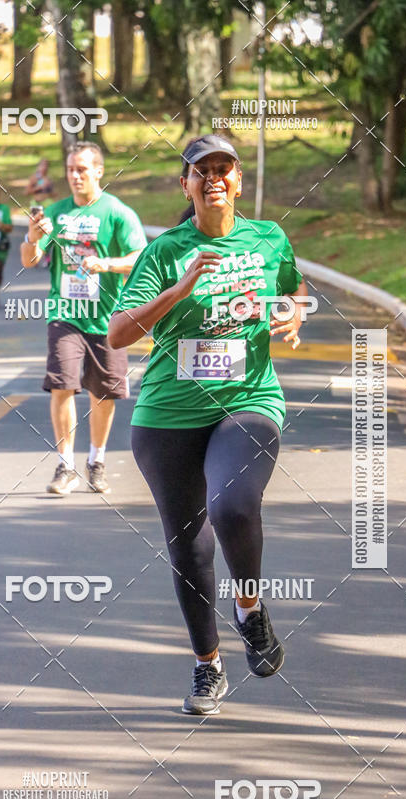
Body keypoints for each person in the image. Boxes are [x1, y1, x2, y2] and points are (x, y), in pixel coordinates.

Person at [108, 134, 309, 715]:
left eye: (225, 168)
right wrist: (180, 289)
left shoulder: (267, 238)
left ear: (239, 181)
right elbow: (118, 334)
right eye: (203, 171)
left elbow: (293, 285)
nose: (214, 177)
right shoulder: (165, 251)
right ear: (186, 185)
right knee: (190, 548)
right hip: (168, 414)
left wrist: (294, 312)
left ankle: (249, 609)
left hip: (249, 399)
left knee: (233, 507)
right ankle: (207, 665)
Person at [20, 141, 147, 496]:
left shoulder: (117, 213)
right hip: (65, 314)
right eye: (70, 170)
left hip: (107, 318)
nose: (75, 176)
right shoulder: (56, 213)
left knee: (103, 393)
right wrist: (32, 237)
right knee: (61, 383)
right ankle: (66, 465)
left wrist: (106, 264)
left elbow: (139, 258)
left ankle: (96, 461)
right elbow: (29, 260)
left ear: (99, 172)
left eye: (82, 170)